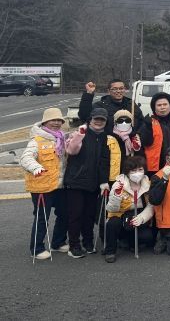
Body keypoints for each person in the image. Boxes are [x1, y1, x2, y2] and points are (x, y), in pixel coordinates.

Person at [20, 107, 69, 259]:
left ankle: (58, 242)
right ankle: (37, 248)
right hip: (42, 186)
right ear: (45, 122)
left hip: (60, 186)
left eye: (59, 120)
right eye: (53, 120)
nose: (56, 123)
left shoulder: (62, 138)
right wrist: (36, 167)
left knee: (65, 213)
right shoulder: (36, 140)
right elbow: (25, 158)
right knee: (42, 217)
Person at [63, 107, 111, 258]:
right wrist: (79, 135)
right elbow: (71, 150)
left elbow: (104, 162)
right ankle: (74, 245)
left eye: (102, 119)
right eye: (96, 119)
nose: (98, 122)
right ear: (90, 119)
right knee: (75, 215)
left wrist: (103, 181)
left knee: (89, 215)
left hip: (93, 183)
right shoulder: (80, 133)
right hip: (75, 181)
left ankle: (88, 242)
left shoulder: (105, 137)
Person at [103, 155, 154, 263]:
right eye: (133, 170)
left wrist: (141, 218)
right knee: (113, 223)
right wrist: (116, 196)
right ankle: (110, 251)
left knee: (148, 236)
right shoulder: (119, 184)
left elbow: (151, 206)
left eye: (140, 169)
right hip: (120, 216)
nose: (137, 173)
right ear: (127, 172)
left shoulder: (148, 184)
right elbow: (111, 208)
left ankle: (130, 243)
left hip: (137, 215)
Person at [78, 79, 143, 135]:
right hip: (108, 142)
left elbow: (141, 122)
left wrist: (137, 135)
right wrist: (89, 93)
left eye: (121, 88)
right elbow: (84, 116)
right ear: (109, 91)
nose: (118, 91)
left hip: (129, 143)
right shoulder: (101, 106)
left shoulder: (131, 105)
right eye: (115, 89)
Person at [110, 110, 142, 174]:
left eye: (127, 121)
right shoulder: (110, 137)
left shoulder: (135, 136)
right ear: (115, 122)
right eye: (120, 121)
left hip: (131, 172)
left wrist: (137, 148)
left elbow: (140, 157)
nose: (124, 123)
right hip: (114, 172)